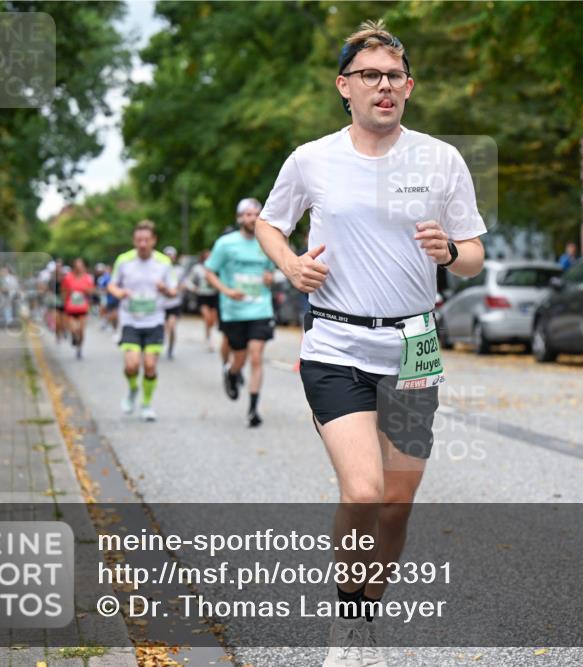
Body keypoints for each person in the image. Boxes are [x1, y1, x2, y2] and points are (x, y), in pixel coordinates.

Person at [255, 20, 485, 667]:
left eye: (393, 76)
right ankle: (346, 628)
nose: (383, 86)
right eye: (369, 76)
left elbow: (473, 256)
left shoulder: (442, 160)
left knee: (395, 503)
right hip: (336, 341)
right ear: (344, 87)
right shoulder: (312, 159)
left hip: (415, 345)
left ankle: (364, 619)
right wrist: (291, 265)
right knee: (362, 489)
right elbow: (271, 226)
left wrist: (452, 251)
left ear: (409, 87)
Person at [205, 198, 275, 428]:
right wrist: (226, 291)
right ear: (239, 219)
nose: (251, 218)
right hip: (235, 310)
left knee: (256, 357)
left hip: (260, 308)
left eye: (256, 213)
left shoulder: (268, 242)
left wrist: (270, 278)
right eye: (246, 214)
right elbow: (210, 272)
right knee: (240, 359)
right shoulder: (226, 244)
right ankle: (231, 373)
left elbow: (273, 271)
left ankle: (253, 409)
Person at [106, 220, 178, 422]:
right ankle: (132, 389)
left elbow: (174, 291)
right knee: (131, 366)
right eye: (139, 240)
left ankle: (146, 404)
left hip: (154, 320)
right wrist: (119, 292)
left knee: (149, 366)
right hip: (130, 320)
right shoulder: (124, 260)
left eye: (147, 240)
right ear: (134, 241)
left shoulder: (164, 262)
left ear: (153, 240)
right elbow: (111, 284)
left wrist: (165, 290)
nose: (143, 244)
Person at [184, 249, 219, 351]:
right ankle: (208, 338)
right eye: (206, 256)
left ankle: (210, 336)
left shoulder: (216, 268)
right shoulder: (197, 269)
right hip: (202, 295)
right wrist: (194, 288)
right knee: (207, 318)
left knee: (213, 320)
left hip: (214, 295)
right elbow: (188, 281)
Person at [61, 258, 95, 359]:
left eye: (81, 265)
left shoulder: (87, 278)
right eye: (77, 265)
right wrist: (66, 299)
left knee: (81, 330)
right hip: (71, 307)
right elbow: (63, 291)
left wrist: (86, 290)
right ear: (74, 266)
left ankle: (79, 349)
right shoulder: (68, 277)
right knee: (74, 328)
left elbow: (92, 291)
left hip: (83, 307)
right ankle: (74, 336)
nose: (79, 268)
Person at [160, 246, 184, 359]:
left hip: (175, 303)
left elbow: (183, 284)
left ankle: (171, 348)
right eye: (167, 255)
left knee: (172, 326)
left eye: (171, 255)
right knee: (164, 327)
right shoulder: (157, 269)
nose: (169, 257)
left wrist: (176, 290)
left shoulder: (179, 270)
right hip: (161, 304)